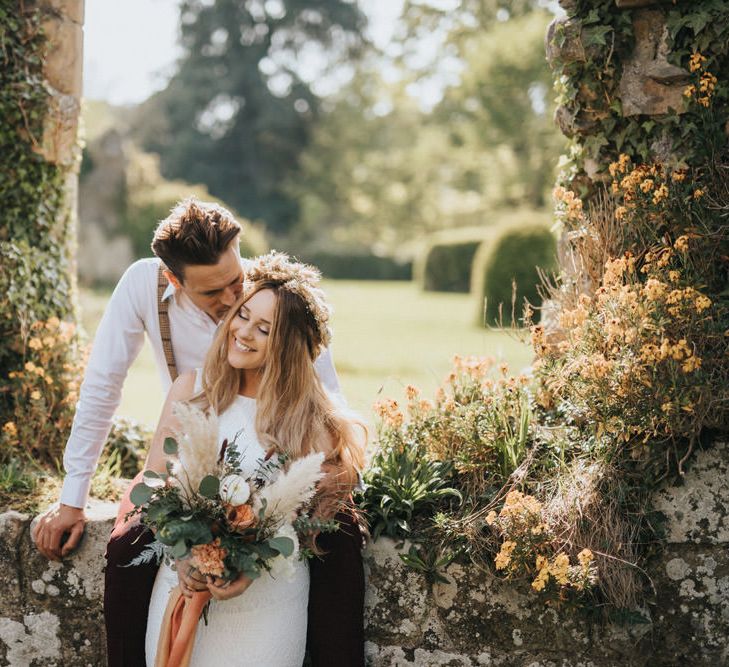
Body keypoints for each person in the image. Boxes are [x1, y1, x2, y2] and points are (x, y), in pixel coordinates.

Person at [32, 199, 365, 666]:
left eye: (237, 282)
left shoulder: (276, 300)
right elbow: (103, 386)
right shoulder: (142, 287)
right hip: (187, 456)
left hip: (279, 450)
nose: (233, 303)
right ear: (175, 280)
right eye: (215, 293)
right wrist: (73, 499)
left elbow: (324, 397)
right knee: (127, 548)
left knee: (341, 541)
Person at [142, 252, 365, 666]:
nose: (243, 332)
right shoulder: (191, 390)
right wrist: (184, 552)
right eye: (242, 315)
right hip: (186, 588)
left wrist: (249, 565)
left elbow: (310, 519)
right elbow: (151, 485)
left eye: (264, 329)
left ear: (287, 347)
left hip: (269, 608)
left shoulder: (310, 422)